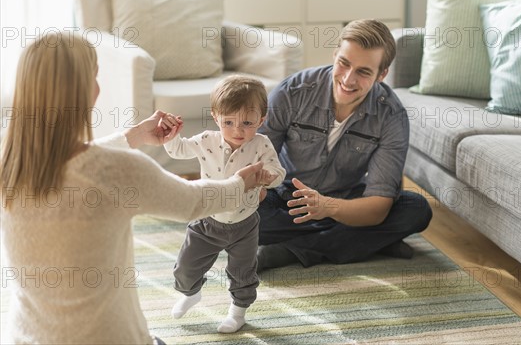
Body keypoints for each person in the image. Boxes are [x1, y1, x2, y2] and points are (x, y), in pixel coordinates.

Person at [0, 32, 272, 344]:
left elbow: (71, 162)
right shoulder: (119, 171)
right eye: (95, 75)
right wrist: (241, 183)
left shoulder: (9, 165)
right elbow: (191, 202)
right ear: (83, 92)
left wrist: (132, 136)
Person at [256, 19, 433, 272]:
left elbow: (379, 205)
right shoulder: (292, 92)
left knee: (416, 210)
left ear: (382, 75)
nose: (348, 80)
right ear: (335, 55)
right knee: (247, 216)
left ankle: (292, 250)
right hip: (287, 198)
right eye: (344, 63)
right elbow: (255, 162)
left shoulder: (392, 116)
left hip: (347, 200)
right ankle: (368, 241)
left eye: (363, 72)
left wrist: (326, 207)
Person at [160, 75, 285, 333]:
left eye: (247, 123)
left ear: (261, 120)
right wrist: (171, 136)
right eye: (229, 122)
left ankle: (238, 313)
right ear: (216, 117)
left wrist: (268, 177)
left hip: (244, 225)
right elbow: (178, 150)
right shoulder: (206, 140)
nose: (238, 131)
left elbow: (278, 172)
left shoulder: (261, 145)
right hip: (207, 219)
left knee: (242, 274)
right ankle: (190, 293)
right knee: (185, 268)